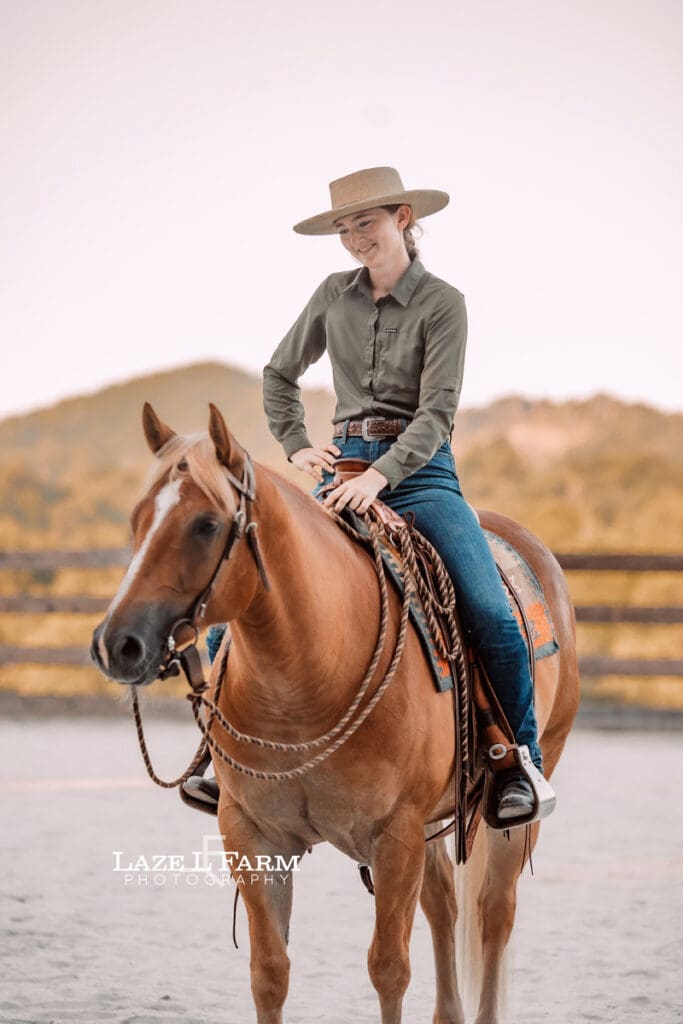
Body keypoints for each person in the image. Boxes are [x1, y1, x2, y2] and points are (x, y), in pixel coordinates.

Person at [186, 166, 553, 823]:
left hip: (421, 474)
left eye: (366, 221)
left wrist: (378, 479)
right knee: (245, 586)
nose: (355, 236)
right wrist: (298, 445)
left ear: (402, 218)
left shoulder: (444, 303)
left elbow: (437, 412)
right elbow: (278, 374)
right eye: (344, 226)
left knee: (491, 612)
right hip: (340, 466)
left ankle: (517, 762)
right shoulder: (332, 294)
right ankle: (218, 754)